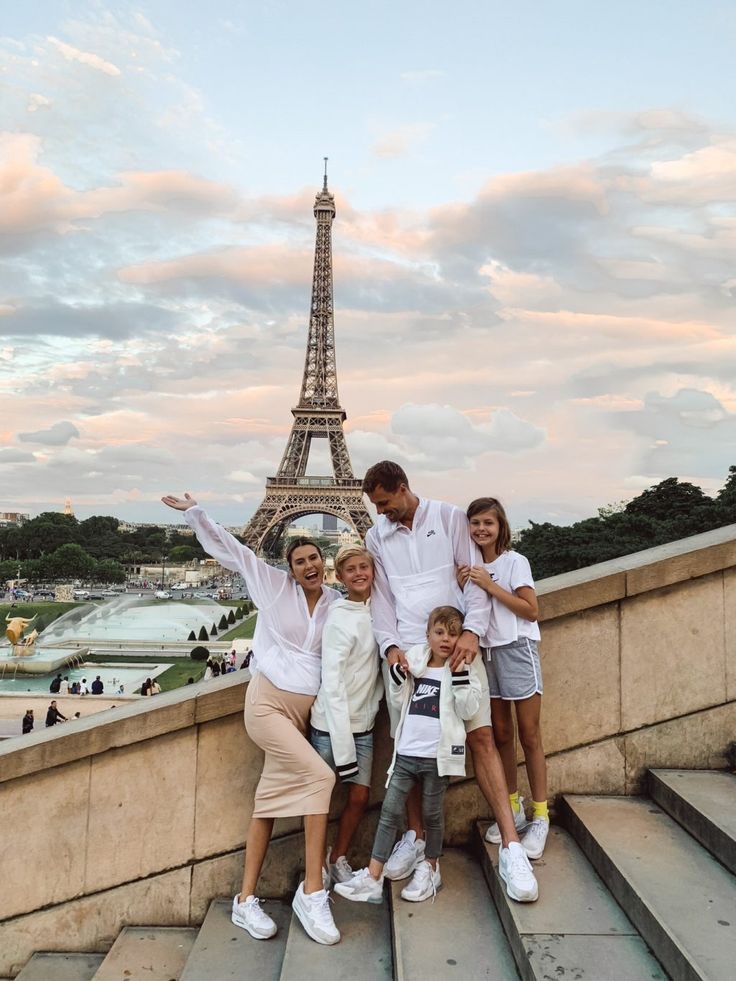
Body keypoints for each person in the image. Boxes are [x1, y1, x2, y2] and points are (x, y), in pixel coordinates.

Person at [162, 492, 341, 946]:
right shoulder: (272, 586)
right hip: (267, 705)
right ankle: (313, 890)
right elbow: (234, 550)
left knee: (267, 805)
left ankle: (244, 900)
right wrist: (195, 513)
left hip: (305, 715)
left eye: (314, 558)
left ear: (325, 561)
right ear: (289, 567)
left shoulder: (337, 603)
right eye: (299, 560)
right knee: (321, 779)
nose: (308, 566)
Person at [362, 460, 538, 902]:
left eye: (385, 503)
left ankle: (512, 846)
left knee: (481, 739)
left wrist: (473, 632)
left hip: (458, 648)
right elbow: (381, 600)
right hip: (409, 654)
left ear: (402, 488)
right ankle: (419, 840)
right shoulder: (375, 535)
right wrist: (390, 648)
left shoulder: (449, 517)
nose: (380, 512)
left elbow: (475, 580)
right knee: (409, 749)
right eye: (376, 505)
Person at [335, 606, 483, 905]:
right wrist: (398, 676)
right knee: (389, 813)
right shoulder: (416, 664)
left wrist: (459, 678)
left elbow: (469, 711)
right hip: (406, 754)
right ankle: (374, 877)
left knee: (432, 815)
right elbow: (398, 700)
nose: (446, 639)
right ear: (427, 635)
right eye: (439, 632)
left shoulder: (464, 670)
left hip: (437, 758)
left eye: (453, 634)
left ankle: (430, 867)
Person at [461, 497, 548, 860]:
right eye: (475, 523)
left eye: (488, 523)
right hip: (487, 654)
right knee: (501, 737)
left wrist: (490, 584)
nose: (481, 529)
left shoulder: (515, 562)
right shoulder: (469, 566)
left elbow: (531, 610)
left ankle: (541, 816)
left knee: (529, 735)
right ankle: (512, 807)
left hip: (516, 649)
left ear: (500, 527)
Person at [310, 544, 383, 884]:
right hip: (331, 726)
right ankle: (317, 865)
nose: (359, 573)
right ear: (339, 577)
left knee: (359, 796)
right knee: (319, 801)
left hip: (363, 724)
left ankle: (337, 856)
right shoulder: (339, 618)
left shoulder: (379, 610)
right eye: (351, 569)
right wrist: (343, 745)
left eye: (364, 566)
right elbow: (334, 682)